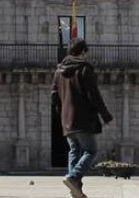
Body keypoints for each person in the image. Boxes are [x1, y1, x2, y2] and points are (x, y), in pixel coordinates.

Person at [51, 38, 113, 198]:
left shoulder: (58, 71)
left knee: (74, 150)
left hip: (67, 120)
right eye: (86, 52)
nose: (87, 55)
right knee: (90, 151)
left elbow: (54, 96)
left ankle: (75, 190)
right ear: (83, 52)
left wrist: (63, 114)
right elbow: (94, 96)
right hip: (84, 120)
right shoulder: (85, 69)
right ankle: (73, 177)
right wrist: (106, 116)